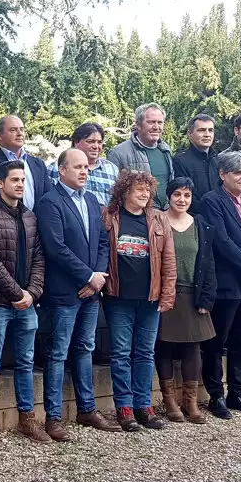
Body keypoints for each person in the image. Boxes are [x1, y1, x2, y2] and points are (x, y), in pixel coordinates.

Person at [37, 148, 118, 438]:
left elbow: (101, 240)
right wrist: (87, 275)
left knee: (85, 349)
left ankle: (86, 409)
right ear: (62, 170)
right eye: (78, 167)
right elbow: (56, 247)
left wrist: (97, 277)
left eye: (86, 167)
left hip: (91, 291)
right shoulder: (50, 202)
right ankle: (53, 417)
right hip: (64, 292)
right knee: (58, 352)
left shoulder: (93, 199)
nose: (85, 172)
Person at [0, 160, 48, 447]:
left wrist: (32, 292)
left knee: (26, 362)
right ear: (0, 183)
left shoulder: (30, 216)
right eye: (14, 180)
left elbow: (39, 257)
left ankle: (26, 419)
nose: (20, 184)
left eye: (22, 180)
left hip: (27, 302)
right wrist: (16, 293)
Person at [100, 170, 176, 431]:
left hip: (150, 298)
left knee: (145, 353)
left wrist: (167, 294)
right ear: (124, 192)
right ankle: (124, 408)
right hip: (118, 297)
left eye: (147, 190)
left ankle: (144, 406)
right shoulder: (109, 216)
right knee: (121, 354)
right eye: (138, 189)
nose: (144, 194)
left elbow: (169, 259)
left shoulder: (158, 219)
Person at [199, 151, 241, 419]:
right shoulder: (211, 201)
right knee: (217, 343)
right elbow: (221, 240)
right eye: (238, 172)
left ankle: (237, 393)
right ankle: (216, 396)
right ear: (222, 175)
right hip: (226, 284)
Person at [156, 178, 217, 425]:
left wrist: (207, 297)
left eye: (187, 195)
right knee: (165, 347)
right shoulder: (158, 221)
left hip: (193, 293)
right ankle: (169, 400)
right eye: (177, 194)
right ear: (168, 196)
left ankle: (190, 400)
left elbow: (208, 262)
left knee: (193, 347)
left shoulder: (200, 224)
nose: (182, 200)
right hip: (166, 293)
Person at [107, 103, 174, 209]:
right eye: (151, 122)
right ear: (138, 124)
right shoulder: (118, 153)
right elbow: (112, 193)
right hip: (137, 218)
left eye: (160, 122)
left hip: (165, 215)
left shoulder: (166, 150)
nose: (156, 127)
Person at [0, 114, 50, 210]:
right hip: (7, 223)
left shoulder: (38, 164)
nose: (20, 133)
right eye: (13, 130)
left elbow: (47, 199)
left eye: (22, 129)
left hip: (39, 223)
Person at [48, 123, 120, 206]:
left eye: (99, 142)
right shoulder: (55, 168)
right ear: (76, 142)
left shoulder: (111, 169)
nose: (96, 146)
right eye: (91, 141)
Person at [170, 114, 220, 214]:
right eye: (201, 130)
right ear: (190, 134)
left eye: (210, 130)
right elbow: (183, 195)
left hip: (219, 217)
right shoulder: (180, 161)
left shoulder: (218, 160)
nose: (207, 134)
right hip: (195, 219)